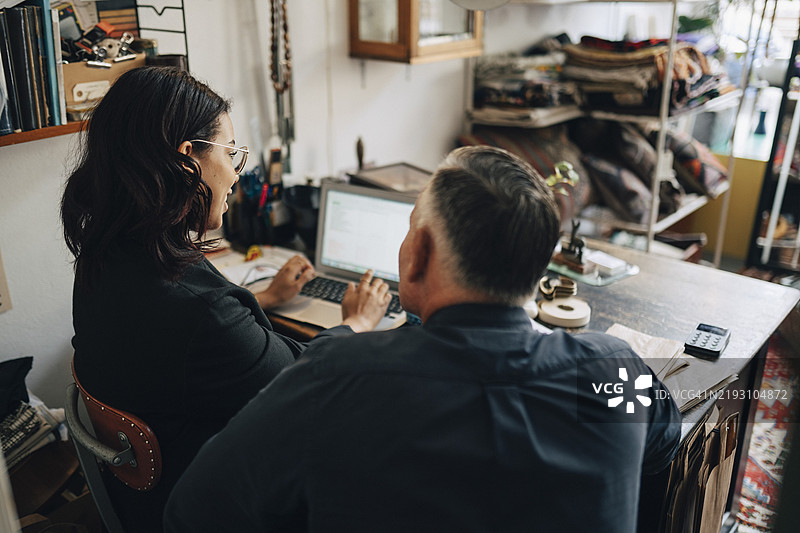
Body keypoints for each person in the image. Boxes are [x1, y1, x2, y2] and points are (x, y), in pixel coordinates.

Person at [163, 145, 682, 533]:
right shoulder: (612, 368)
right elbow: (662, 444)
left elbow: (193, 510)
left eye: (411, 227)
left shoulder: (336, 376)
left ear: (420, 252)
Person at [60, 66, 390, 532]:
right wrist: (357, 322)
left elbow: (185, 339)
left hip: (147, 497)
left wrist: (265, 299)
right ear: (187, 158)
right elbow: (302, 381)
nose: (238, 171)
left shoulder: (105, 255)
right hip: (208, 508)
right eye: (231, 153)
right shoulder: (201, 314)